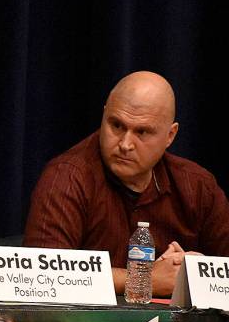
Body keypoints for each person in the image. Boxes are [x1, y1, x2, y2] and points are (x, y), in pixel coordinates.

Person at [24, 70, 229, 296]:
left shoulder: (197, 186)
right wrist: (145, 279)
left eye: (142, 132)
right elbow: (41, 277)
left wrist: (202, 270)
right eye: (117, 125)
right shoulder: (67, 178)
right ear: (104, 116)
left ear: (170, 135)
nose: (125, 144)